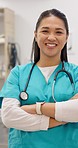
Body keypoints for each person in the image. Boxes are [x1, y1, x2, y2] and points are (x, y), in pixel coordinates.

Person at [0, 8, 78, 148]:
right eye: (45, 31)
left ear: (66, 38)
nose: (51, 37)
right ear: (36, 35)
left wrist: (36, 108)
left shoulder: (76, 73)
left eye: (59, 32)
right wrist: (61, 117)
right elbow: (8, 116)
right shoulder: (18, 73)